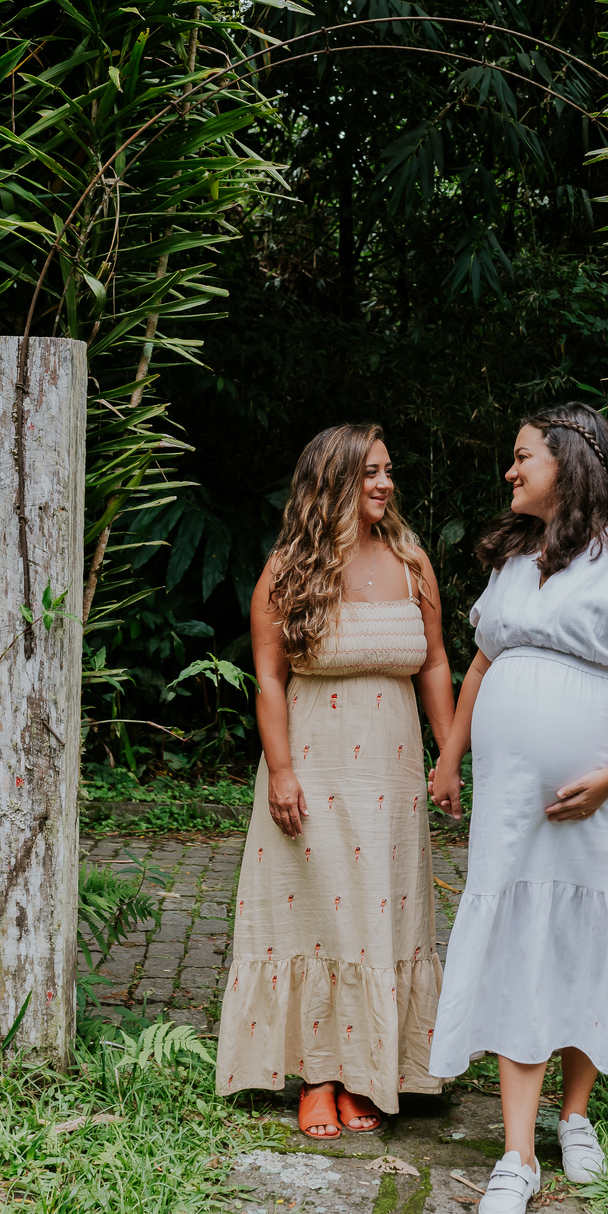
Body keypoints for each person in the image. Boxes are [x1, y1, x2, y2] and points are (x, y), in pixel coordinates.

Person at [427, 403, 608, 1214]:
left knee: (586, 932)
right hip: (511, 796)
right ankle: (515, 1156)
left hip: (600, 792)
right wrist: (448, 757)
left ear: (571, 463)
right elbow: (480, 665)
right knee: (519, 934)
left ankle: (574, 1116)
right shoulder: (517, 561)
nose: (509, 472)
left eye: (522, 458)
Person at [216, 423, 455, 1137]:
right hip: (314, 772)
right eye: (368, 472)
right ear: (331, 482)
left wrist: (449, 756)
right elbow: (267, 676)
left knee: (380, 914)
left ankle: (369, 1070)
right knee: (319, 913)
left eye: (387, 471)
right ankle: (320, 1075)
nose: (383, 483)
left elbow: (436, 662)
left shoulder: (412, 560)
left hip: (393, 776)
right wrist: (281, 772)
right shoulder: (289, 569)